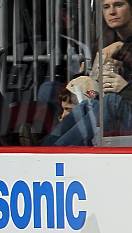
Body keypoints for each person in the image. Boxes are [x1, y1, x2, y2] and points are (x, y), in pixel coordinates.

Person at [42, 0, 132, 146]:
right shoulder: (106, 42)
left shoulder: (122, 46)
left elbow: (122, 92)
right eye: (106, 7)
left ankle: (59, 152)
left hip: (122, 109)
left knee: (110, 102)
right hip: (117, 107)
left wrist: (126, 87)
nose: (112, 12)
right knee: (88, 104)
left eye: (119, 5)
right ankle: (45, 148)